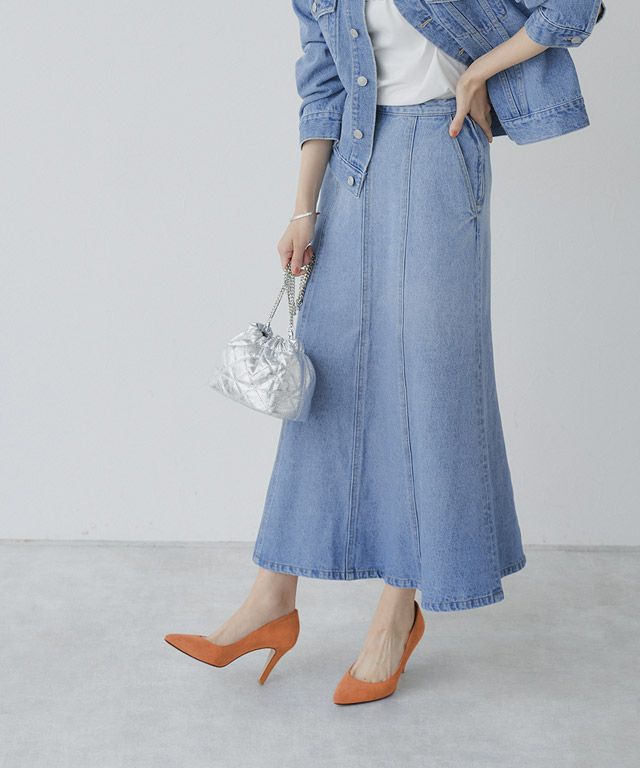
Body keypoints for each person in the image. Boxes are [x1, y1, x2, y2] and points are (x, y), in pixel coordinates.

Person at [165, 0, 606, 705]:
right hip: (354, 164)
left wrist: (478, 74)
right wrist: (303, 209)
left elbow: (575, 7)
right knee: (327, 383)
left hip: (440, 147)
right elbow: (324, 88)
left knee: (425, 381)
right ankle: (272, 597)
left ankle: (397, 615)